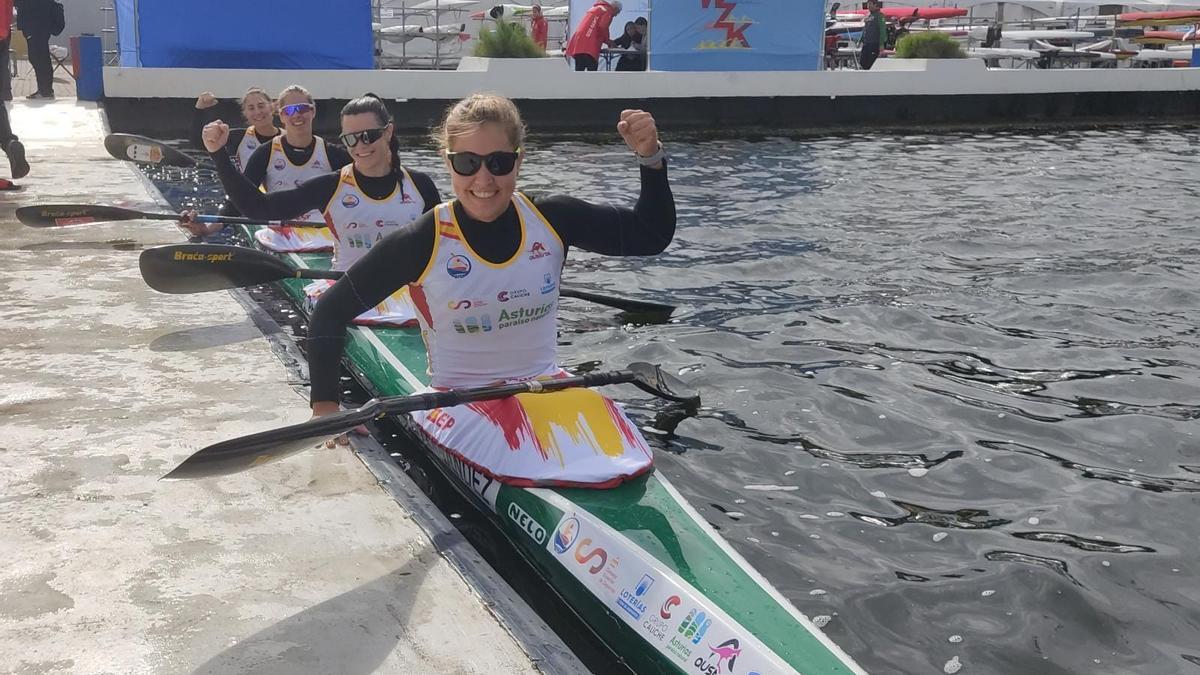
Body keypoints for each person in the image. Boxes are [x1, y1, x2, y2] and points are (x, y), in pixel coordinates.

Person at [305, 94, 675, 486]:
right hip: (459, 400)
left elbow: (649, 236)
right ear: (448, 161)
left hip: (548, 385)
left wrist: (650, 158)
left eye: (499, 162)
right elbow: (329, 312)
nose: (483, 180)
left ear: (519, 159)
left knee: (613, 438)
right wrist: (326, 406)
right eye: (467, 163)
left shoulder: (552, 218)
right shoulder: (422, 240)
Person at [197, 93, 440, 271]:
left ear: (388, 132)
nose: (360, 146)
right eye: (350, 139)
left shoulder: (421, 186)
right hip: (352, 293)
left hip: (411, 296)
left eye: (368, 136)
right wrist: (219, 155)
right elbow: (257, 208)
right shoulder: (330, 186)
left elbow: (442, 249)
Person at [183, 84, 352, 239]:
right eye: (289, 111)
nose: (296, 115)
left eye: (302, 108)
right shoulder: (265, 153)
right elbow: (240, 200)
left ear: (313, 111)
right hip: (280, 230)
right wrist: (208, 229)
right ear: (281, 115)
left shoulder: (333, 153)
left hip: (324, 231)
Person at [191, 88, 281, 173]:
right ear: (245, 113)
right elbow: (200, 143)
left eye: (261, 106)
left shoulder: (286, 137)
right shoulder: (238, 138)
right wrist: (200, 109)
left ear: (271, 107)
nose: (257, 112)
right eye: (251, 108)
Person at [14, 0, 56, 99]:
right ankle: (45, 90)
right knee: (41, 58)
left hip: (35, 27)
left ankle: (45, 90)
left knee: (38, 58)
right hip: (41, 26)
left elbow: (19, 3)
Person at [565, 0, 621, 71]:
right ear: (615, 8)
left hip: (579, 44)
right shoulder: (608, 11)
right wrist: (608, 41)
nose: (615, 15)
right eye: (617, 12)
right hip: (590, 45)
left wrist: (607, 41)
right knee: (592, 72)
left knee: (579, 71)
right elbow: (603, 27)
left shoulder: (596, 8)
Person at [859, 0, 885, 71]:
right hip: (866, 43)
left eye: (870, 4)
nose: (868, 6)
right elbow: (865, 29)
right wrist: (860, 40)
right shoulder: (867, 15)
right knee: (862, 62)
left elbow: (882, 31)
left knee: (871, 63)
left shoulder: (879, 16)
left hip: (874, 43)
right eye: (868, 4)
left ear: (875, 5)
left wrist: (881, 44)